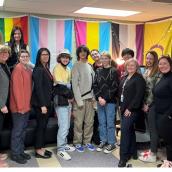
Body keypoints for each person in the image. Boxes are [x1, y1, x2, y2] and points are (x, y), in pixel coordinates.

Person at [118, 59, 146, 167]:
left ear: (136, 66)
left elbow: (139, 96)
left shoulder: (139, 78)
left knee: (124, 131)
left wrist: (130, 108)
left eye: (132, 65)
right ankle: (133, 152)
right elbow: (121, 93)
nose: (130, 66)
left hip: (132, 110)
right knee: (129, 130)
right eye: (128, 64)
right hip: (123, 109)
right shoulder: (124, 77)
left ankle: (123, 157)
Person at [93, 52, 119, 154]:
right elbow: (95, 85)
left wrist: (105, 99)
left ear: (109, 59)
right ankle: (103, 141)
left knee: (110, 123)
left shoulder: (114, 71)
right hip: (100, 101)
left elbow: (115, 87)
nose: (103, 60)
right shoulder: (98, 71)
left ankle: (112, 143)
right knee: (102, 123)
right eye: (102, 58)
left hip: (110, 102)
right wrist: (99, 97)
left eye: (105, 58)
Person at [139, 51, 162, 163]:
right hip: (145, 104)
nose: (148, 60)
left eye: (151, 59)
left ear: (155, 59)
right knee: (149, 129)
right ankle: (152, 150)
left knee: (153, 130)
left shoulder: (158, 72)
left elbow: (155, 91)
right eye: (147, 58)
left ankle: (153, 154)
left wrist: (147, 104)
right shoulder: (146, 70)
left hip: (152, 105)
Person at [10, 50, 32, 164]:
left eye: (26, 56)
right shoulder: (18, 69)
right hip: (19, 107)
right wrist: (20, 107)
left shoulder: (27, 69)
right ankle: (15, 154)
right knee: (18, 131)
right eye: (22, 56)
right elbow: (17, 90)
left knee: (23, 130)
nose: (24, 58)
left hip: (26, 106)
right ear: (19, 58)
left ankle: (20, 151)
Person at [72, 45, 95, 152]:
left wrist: (94, 98)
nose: (83, 53)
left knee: (89, 122)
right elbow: (74, 85)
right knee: (78, 122)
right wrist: (78, 100)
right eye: (80, 52)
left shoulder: (90, 66)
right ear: (78, 54)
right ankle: (77, 142)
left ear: (87, 53)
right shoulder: (76, 66)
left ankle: (87, 142)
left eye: (85, 51)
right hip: (80, 99)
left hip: (90, 99)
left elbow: (93, 84)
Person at [53, 49, 75, 160]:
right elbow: (60, 86)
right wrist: (71, 96)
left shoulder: (68, 69)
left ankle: (64, 144)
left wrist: (70, 97)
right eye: (63, 57)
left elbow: (69, 84)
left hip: (67, 101)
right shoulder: (57, 68)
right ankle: (60, 149)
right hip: (61, 100)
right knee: (63, 125)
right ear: (60, 58)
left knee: (66, 124)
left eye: (67, 57)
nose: (65, 59)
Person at [31, 48, 53, 158]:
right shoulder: (38, 69)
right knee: (41, 127)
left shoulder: (46, 68)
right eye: (43, 54)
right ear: (39, 56)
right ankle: (38, 150)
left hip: (47, 103)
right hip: (41, 104)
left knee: (43, 126)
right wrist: (42, 105)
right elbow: (38, 89)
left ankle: (41, 147)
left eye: (47, 54)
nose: (45, 56)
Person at [153, 56, 172, 168]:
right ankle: (169, 162)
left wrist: (169, 115)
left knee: (170, 142)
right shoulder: (164, 77)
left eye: (165, 63)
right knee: (167, 140)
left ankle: (169, 163)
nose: (162, 66)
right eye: (160, 64)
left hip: (167, 115)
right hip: (160, 114)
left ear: (170, 64)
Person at [0, 45, 11, 167]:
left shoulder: (5, 65)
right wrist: (1, 104)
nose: (4, 55)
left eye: (6, 53)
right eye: (2, 53)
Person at [90, 49, 102, 145]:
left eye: (96, 53)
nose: (95, 55)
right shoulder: (92, 67)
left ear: (99, 54)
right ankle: (96, 138)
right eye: (92, 55)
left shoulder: (108, 63)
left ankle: (107, 138)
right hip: (95, 94)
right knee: (96, 117)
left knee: (108, 119)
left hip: (108, 96)